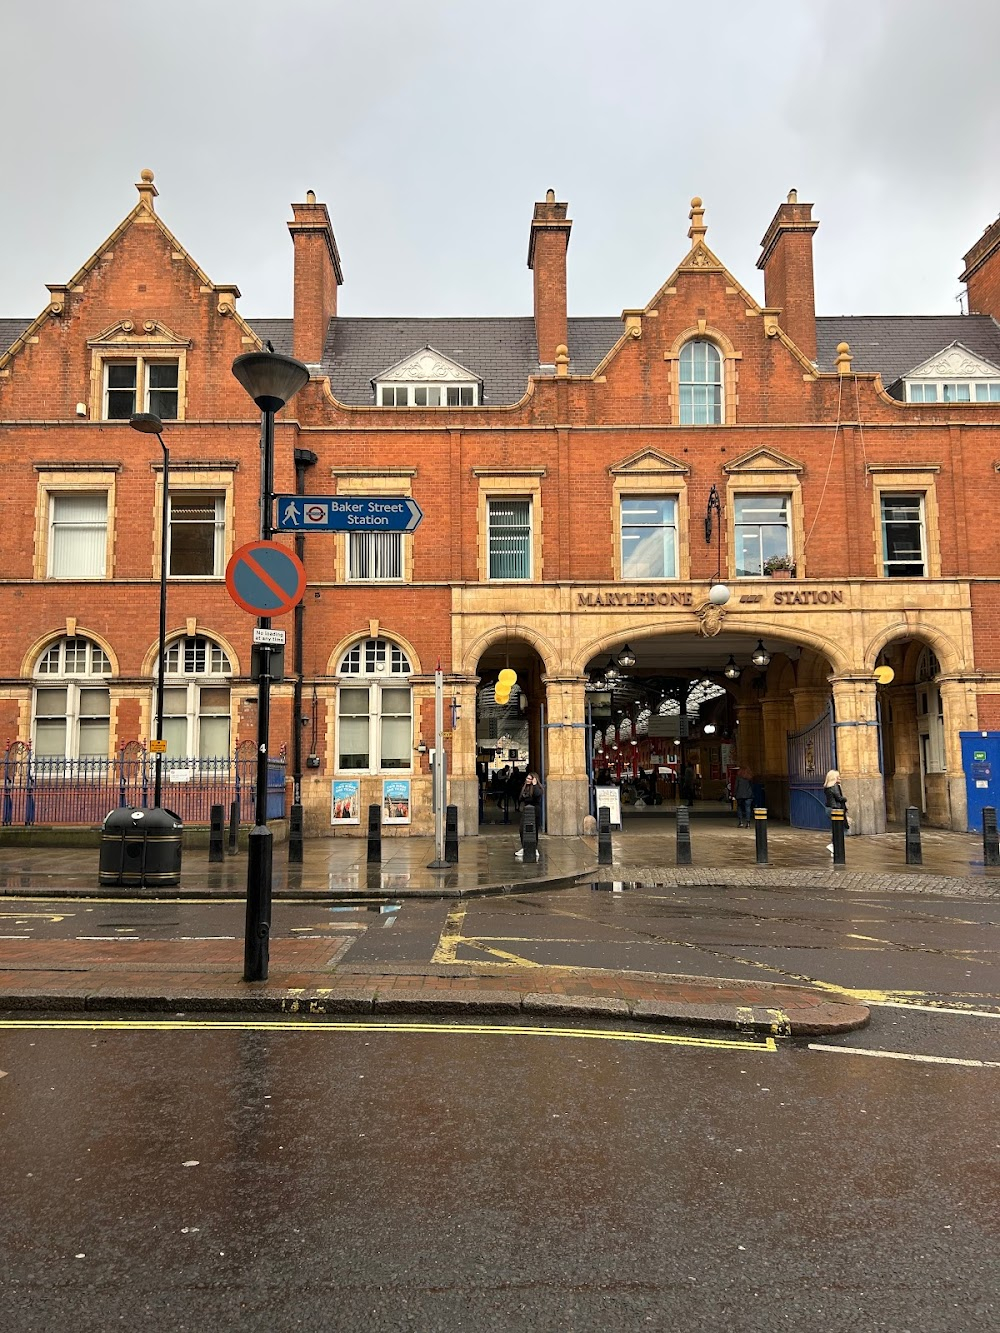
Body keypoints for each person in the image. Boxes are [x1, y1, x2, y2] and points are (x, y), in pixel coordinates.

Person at [514, 772, 544, 861]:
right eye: (527, 778)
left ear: (534, 779)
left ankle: (534, 848)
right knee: (522, 829)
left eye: (529, 779)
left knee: (533, 830)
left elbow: (537, 795)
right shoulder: (525, 787)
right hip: (527, 811)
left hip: (535, 811)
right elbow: (521, 798)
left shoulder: (537, 788)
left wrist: (534, 785)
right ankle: (524, 847)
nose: (527, 780)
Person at [824, 768, 849, 853]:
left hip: (829, 809)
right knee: (843, 829)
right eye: (838, 777)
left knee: (836, 828)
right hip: (836, 809)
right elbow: (839, 798)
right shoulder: (834, 787)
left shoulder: (827, 786)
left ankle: (834, 847)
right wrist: (845, 799)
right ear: (834, 778)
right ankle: (834, 845)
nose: (840, 778)